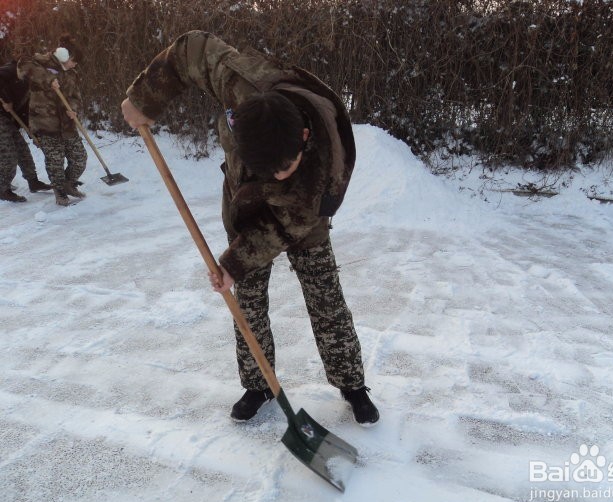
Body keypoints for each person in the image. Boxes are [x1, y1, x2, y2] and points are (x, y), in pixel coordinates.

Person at [122, 30, 379, 425]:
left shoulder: (322, 174)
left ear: (304, 138)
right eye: (267, 169)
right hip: (244, 203)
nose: (277, 176)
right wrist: (143, 100)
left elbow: (280, 229)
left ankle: (352, 384)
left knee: (324, 295)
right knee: (249, 298)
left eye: (283, 168)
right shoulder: (240, 83)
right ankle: (259, 383)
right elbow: (192, 49)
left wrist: (234, 262)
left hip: (300, 221)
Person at [18, 35, 87, 206]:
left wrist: (74, 109)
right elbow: (22, 66)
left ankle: (68, 183)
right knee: (55, 160)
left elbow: (76, 97)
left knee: (79, 158)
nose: (75, 65)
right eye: (74, 61)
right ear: (65, 56)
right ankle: (59, 191)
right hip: (45, 123)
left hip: (67, 124)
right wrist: (48, 79)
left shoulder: (72, 74)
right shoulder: (41, 62)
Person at [0, 60, 52, 202]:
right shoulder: (10, 70)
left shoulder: (29, 87)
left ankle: (33, 181)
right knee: (8, 154)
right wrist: (6, 99)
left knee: (22, 149)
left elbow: (25, 114)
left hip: (7, 118)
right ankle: (3, 189)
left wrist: (34, 135)